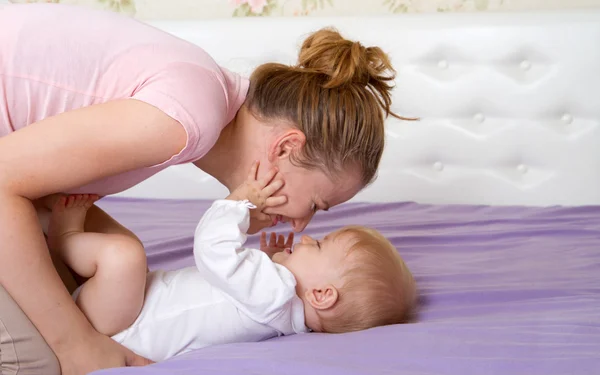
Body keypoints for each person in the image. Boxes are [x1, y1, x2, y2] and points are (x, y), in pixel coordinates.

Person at [0, 3, 409, 375]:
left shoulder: (205, 98)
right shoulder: (183, 121)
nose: (302, 225)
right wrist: (74, 346)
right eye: (317, 203)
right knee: (40, 360)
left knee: (110, 263)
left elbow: (39, 184)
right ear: (286, 147)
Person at [41, 162, 416, 362]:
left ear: (321, 294)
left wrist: (239, 203)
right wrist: (273, 258)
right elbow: (239, 294)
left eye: (318, 245)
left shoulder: (275, 292)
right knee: (124, 257)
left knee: (124, 256)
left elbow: (212, 250)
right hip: (130, 316)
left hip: (120, 324)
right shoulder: (281, 309)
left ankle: (65, 240)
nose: (306, 237)